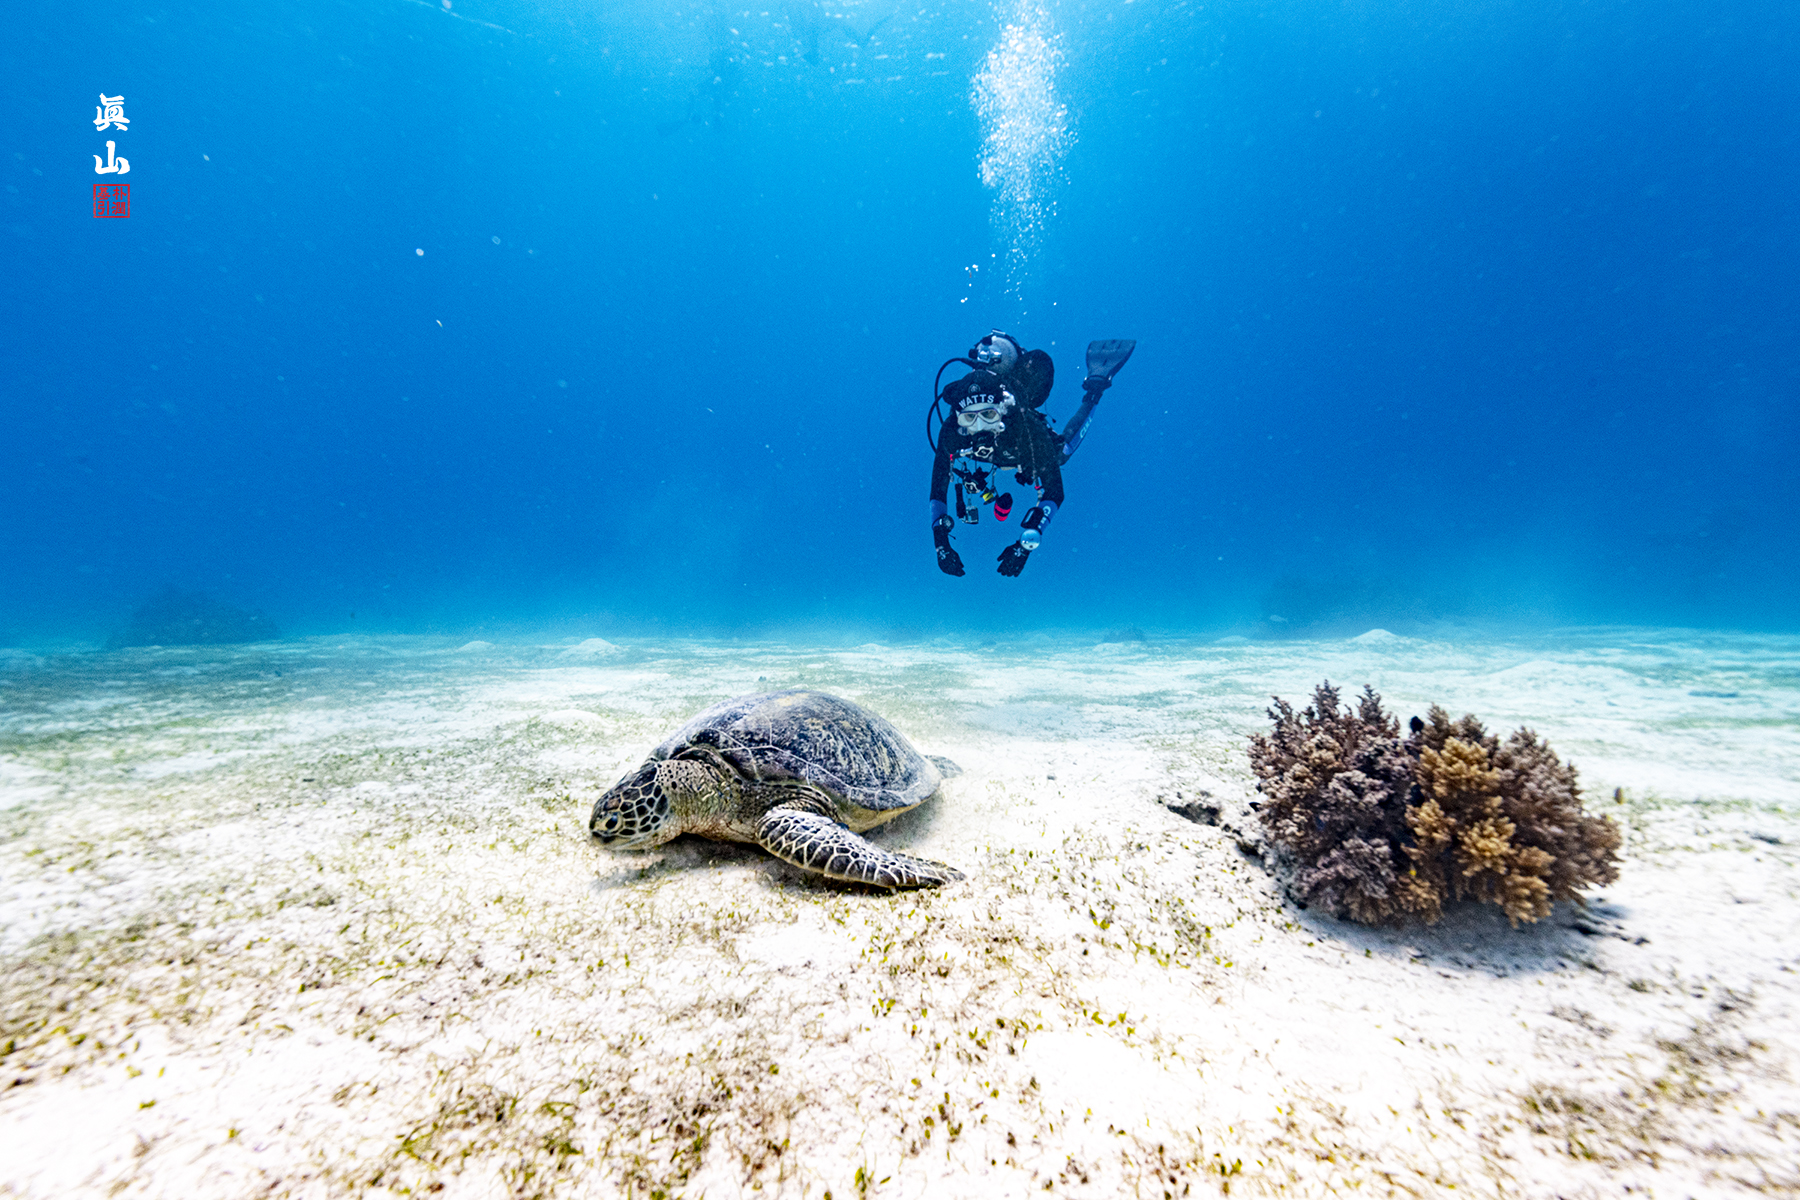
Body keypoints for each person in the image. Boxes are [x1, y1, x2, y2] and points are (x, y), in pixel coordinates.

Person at [927, 331, 1134, 578]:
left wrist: (1025, 545)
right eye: (970, 418)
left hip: (1018, 446)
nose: (980, 426)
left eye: (989, 415)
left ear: (1003, 411)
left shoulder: (1025, 427)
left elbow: (1054, 491)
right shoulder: (952, 431)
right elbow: (938, 486)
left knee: (1062, 452)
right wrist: (941, 544)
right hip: (1003, 446)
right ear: (958, 419)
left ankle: (1095, 387)